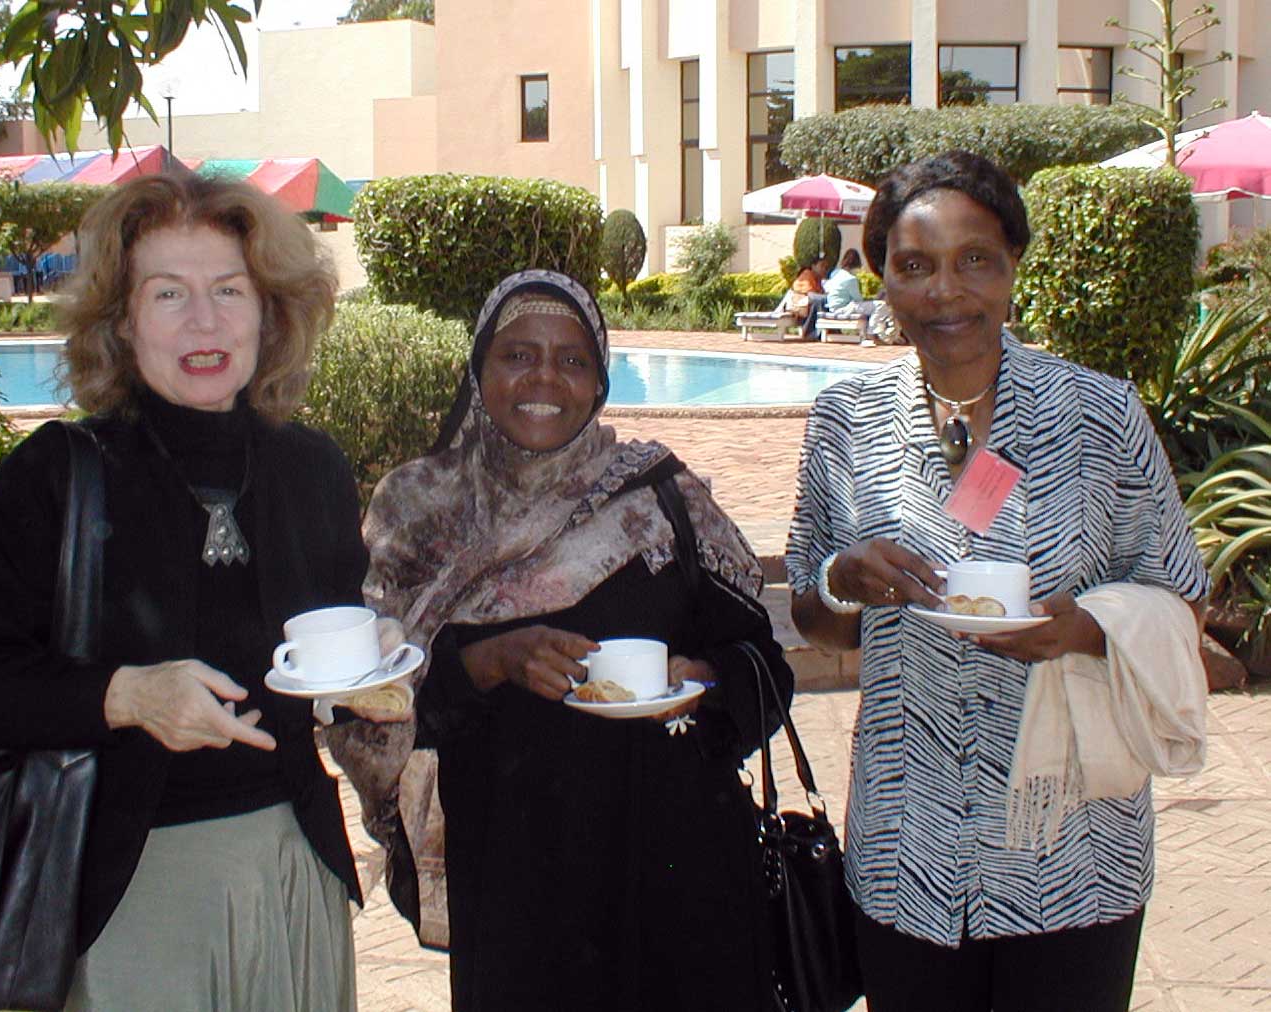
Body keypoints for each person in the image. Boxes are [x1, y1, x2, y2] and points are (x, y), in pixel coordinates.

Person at [0, 173, 369, 1012]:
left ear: (269, 313)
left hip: (293, 869)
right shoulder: (55, 477)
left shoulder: (310, 469)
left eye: (227, 291)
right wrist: (126, 696)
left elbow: (328, 659)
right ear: (123, 324)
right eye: (168, 293)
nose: (203, 321)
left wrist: (372, 689)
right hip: (127, 892)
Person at [785, 151, 1210, 1012]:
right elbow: (810, 609)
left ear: (1013, 265)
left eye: (974, 260)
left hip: (1071, 840)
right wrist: (844, 579)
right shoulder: (845, 421)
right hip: (910, 841)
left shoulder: (1098, 413)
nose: (946, 292)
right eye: (913, 266)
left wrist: (1086, 627)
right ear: (880, 279)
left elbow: (1180, 589)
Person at [326, 269, 795, 1012]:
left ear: (599, 382)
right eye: (517, 354)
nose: (544, 377)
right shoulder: (419, 510)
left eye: (572, 360)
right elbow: (366, 707)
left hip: (683, 881)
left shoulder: (662, 497)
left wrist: (704, 679)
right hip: (519, 898)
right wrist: (485, 663)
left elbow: (764, 667)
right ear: (480, 370)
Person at [801, 246, 863, 339]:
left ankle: (812, 333)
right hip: (839, 307)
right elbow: (858, 300)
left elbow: (828, 289)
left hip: (829, 304)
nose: (824, 269)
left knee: (819, 301)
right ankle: (870, 335)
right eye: (822, 266)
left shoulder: (836, 273)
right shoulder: (851, 279)